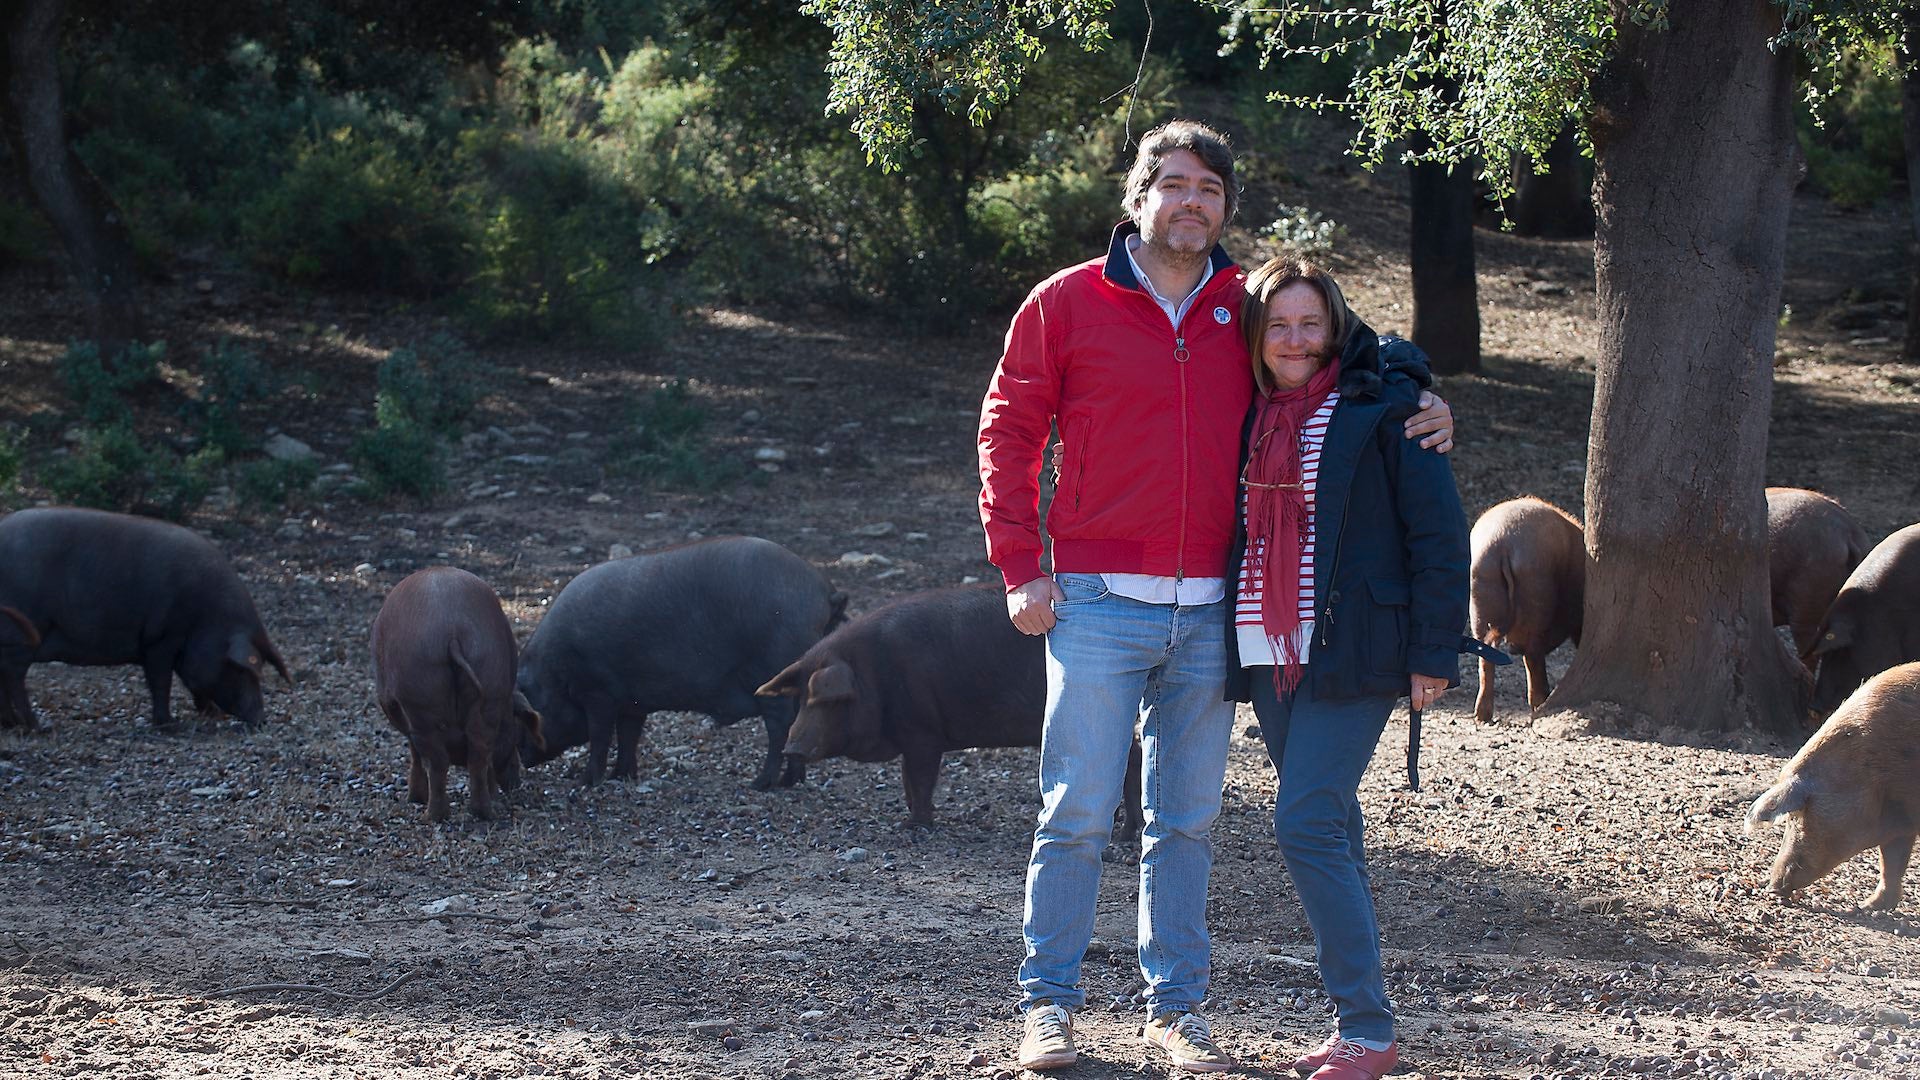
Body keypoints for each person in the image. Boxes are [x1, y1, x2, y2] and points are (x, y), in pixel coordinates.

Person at [976, 119, 1455, 1073]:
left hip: (1214, 612)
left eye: (1211, 190)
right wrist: (1020, 565)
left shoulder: (1249, 306)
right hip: (1096, 600)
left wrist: (1426, 394)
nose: (1193, 203)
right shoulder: (1064, 303)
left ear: (1226, 207)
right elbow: (1008, 430)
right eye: (1176, 185)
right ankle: (1048, 1007)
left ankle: (1177, 1012)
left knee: (1185, 820)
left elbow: (1351, 348)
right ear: (1139, 196)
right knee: (1074, 809)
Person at [1226, 254, 1485, 1080]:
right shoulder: (1250, 411)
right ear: (1259, 336)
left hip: (1358, 650)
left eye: (1311, 324)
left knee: (1301, 821)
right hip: (1271, 651)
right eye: (1279, 326)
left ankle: (1369, 1031)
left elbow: (1438, 533)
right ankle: (1359, 1022)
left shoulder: (1384, 404)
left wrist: (1432, 652)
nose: (1295, 340)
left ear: (1335, 327)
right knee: (1332, 823)